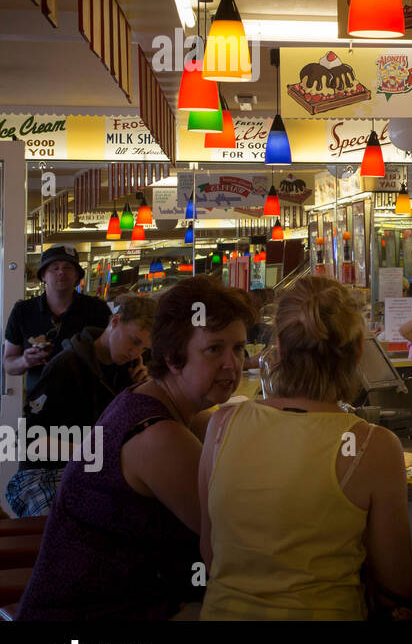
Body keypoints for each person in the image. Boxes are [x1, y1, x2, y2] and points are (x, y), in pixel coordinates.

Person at [18, 277, 257, 620]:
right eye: (214, 349)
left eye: (238, 348)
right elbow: (232, 541)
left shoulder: (165, 408)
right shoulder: (155, 434)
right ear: (173, 358)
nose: (231, 365)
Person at [198, 276, 412, 620]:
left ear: (279, 347)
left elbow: (210, 556)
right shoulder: (373, 446)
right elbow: (397, 584)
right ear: (359, 349)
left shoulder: (223, 424)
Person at [5, 294, 155, 518]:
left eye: (143, 349)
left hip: (94, 469)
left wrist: (142, 394)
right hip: (42, 473)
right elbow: (29, 440)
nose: (135, 353)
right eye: (134, 341)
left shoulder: (127, 375)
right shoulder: (67, 365)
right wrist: (103, 455)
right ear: (115, 322)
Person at [4, 245, 111, 397]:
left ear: (77, 276)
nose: (61, 272)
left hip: (88, 405)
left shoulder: (97, 309)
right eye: (54, 268)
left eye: (68, 267)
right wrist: (25, 361)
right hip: (39, 407)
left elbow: (112, 354)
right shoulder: (23, 311)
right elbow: (8, 364)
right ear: (43, 275)